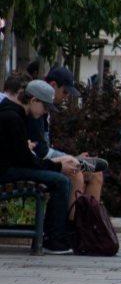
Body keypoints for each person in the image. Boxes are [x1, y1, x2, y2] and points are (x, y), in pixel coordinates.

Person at [0, 80, 81, 254]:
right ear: (34, 100)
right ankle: (54, 240)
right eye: (45, 107)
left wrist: (25, 147)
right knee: (61, 181)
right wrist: (57, 166)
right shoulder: (13, 117)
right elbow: (25, 161)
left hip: (7, 167)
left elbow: (18, 153)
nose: (45, 112)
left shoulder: (12, 113)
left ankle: (53, 236)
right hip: (5, 172)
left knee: (60, 177)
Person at [25, 67, 106, 214]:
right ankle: (73, 230)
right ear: (54, 85)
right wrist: (71, 159)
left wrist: (69, 159)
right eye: (65, 92)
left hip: (47, 162)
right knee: (77, 174)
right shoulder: (36, 106)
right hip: (38, 164)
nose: (66, 97)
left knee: (96, 173)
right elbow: (41, 151)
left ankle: (88, 229)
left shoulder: (42, 107)